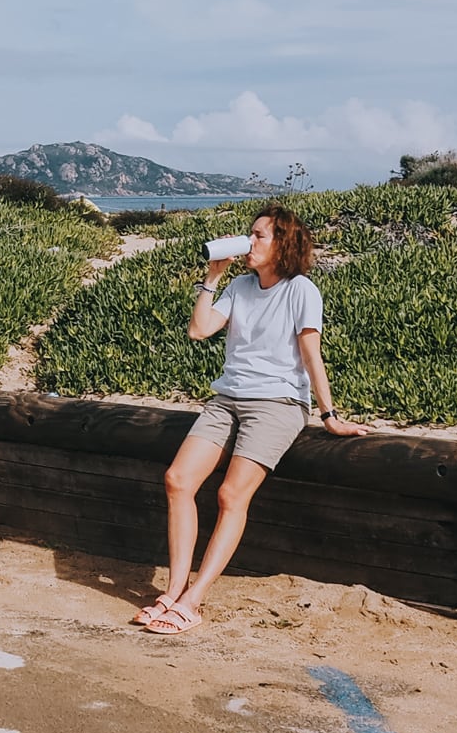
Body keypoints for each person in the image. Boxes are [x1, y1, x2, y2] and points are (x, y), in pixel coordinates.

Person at [133, 203, 370, 636]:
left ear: (284, 244)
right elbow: (199, 330)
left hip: (277, 403)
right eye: (251, 234)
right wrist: (211, 278)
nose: (250, 241)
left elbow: (310, 354)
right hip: (228, 398)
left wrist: (330, 415)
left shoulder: (302, 290)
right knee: (177, 480)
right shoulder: (240, 285)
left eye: (259, 236)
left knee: (229, 495)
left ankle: (193, 599)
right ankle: (172, 590)